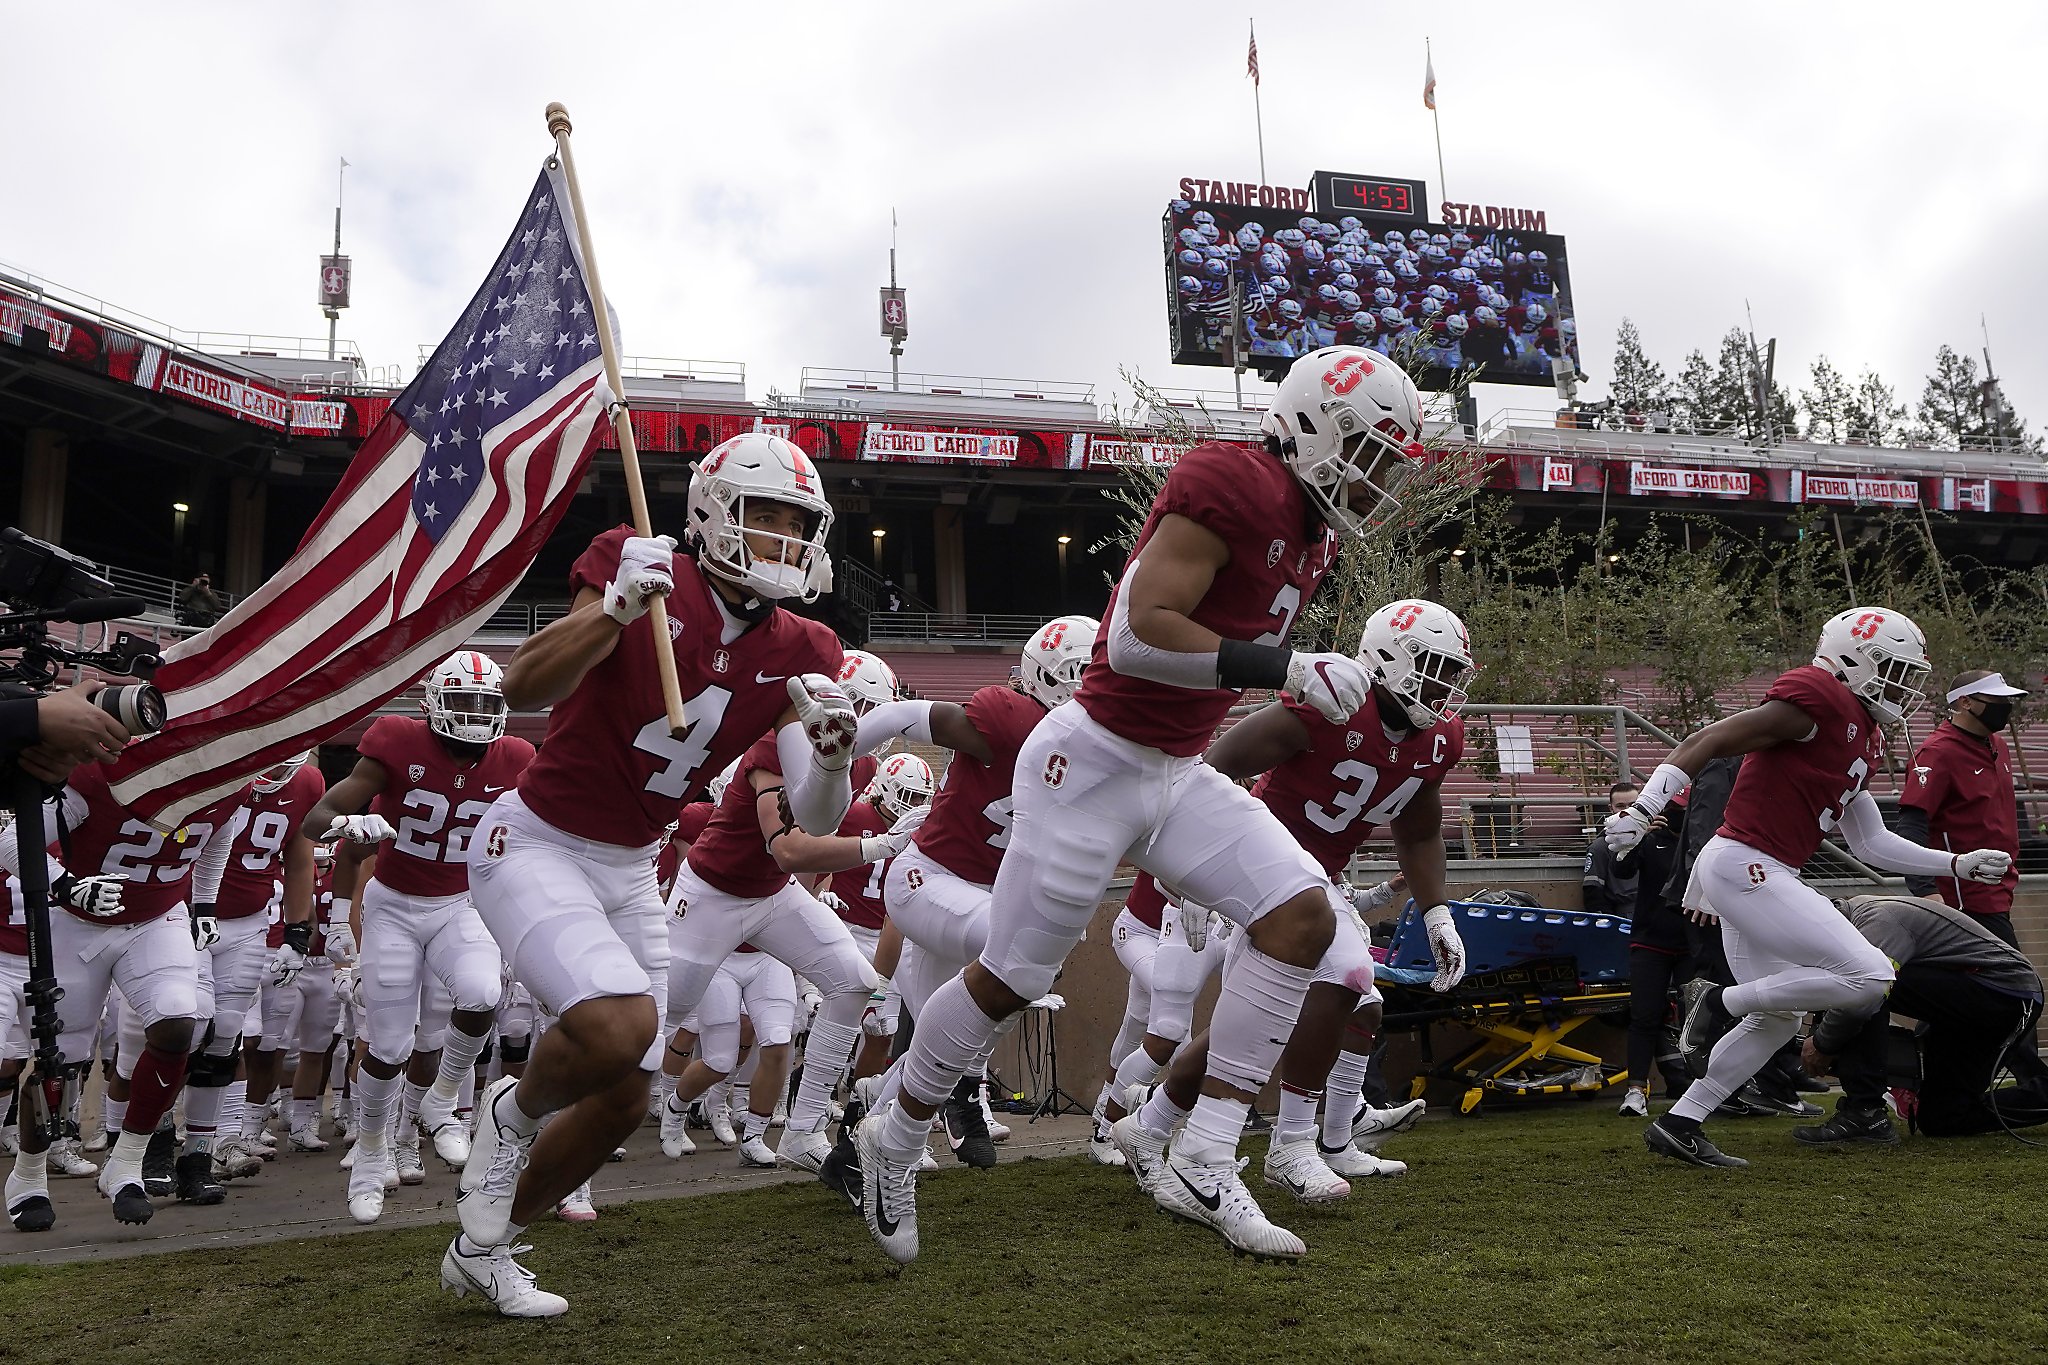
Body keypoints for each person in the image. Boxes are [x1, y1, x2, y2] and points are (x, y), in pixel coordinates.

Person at [845, 345, 1440, 1265]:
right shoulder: (1233, 481)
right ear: (1322, 430)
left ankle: (1204, 1152)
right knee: (1009, 977)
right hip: (1089, 763)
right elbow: (1135, 637)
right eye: (1373, 454)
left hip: (1174, 768)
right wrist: (1283, 666)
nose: (1379, 480)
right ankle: (896, 1126)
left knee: (1301, 915)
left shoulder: (1310, 531)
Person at [448, 431, 856, 1317]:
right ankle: (508, 1119)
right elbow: (522, 684)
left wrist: (830, 759)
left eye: (799, 523)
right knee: (618, 1025)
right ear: (713, 513)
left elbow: (817, 818)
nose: (785, 540)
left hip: (632, 865)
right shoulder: (639, 566)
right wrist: (616, 610)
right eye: (766, 517)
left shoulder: (807, 643)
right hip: (538, 838)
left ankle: (486, 1246)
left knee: (630, 1090)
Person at [1606, 608, 2014, 1169]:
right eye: (1893, 669)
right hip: (1749, 865)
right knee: (1870, 975)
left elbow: (1871, 842)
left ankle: (1681, 1122)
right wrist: (1645, 806)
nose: (1902, 686)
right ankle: (1715, 1000)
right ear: (1853, 658)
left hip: (1752, 869)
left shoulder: (1862, 734)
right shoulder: (1817, 700)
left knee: (1774, 1021)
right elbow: (1709, 739)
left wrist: (1956, 863)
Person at [1116, 598, 1472, 1203]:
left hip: (1315, 882)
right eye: (1432, 667)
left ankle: (1151, 1127)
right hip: (1249, 872)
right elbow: (1214, 767)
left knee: (1287, 1013)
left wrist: (1437, 909)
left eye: (1451, 672)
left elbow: (1419, 828)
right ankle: (1294, 1145)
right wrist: (1194, 873)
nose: (1443, 686)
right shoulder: (1330, 706)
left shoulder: (1440, 739)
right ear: (1388, 660)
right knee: (1347, 974)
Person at [835, 615, 1100, 1182]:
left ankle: (854, 1146)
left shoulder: (1095, 749)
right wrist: (839, 749)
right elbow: (909, 715)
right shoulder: (1011, 718)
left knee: (937, 1035)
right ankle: (964, 1088)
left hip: (981, 894)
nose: (1087, 688)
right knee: (1020, 949)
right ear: (1047, 675)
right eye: (1078, 674)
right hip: (927, 879)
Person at [299, 651, 534, 1225]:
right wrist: (345, 824)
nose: (476, 717)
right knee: (388, 1047)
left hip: (461, 902)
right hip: (395, 906)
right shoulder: (398, 742)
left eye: (486, 705)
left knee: (482, 994)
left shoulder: (518, 758)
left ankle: (442, 1100)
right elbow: (315, 818)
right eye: (463, 703)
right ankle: (370, 1156)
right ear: (432, 704)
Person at [0, 759, 241, 1228]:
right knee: (62, 1059)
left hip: (156, 916)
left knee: (177, 1022)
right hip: (77, 921)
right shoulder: (103, 775)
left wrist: (205, 903)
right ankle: (28, 1173)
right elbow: (11, 839)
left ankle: (127, 1162)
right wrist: (68, 886)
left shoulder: (225, 778)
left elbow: (217, 840)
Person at [1799, 893, 2046, 1142]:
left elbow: (1866, 991)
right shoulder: (1857, 921)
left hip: (2005, 992)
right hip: (1971, 1006)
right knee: (1943, 1118)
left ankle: (1865, 1112)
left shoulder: (1877, 920)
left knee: (1867, 984)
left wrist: (1823, 1043)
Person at [1897, 670, 2028, 946]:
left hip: (1999, 890)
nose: (2004, 708)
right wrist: (1926, 892)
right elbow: (1911, 827)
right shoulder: (1938, 752)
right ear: (1966, 702)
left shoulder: (1998, 746)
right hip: (1961, 898)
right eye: (1996, 700)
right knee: (2019, 984)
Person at [1613, 800, 1690, 1116]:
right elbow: (1622, 869)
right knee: (1644, 1016)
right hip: (1650, 941)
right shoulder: (1649, 839)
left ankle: (1703, 1089)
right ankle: (1635, 1091)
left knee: (1697, 1019)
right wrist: (1636, 838)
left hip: (1690, 943)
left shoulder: (1700, 841)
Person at [1581, 782, 1639, 916]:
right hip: (1626, 918)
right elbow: (1593, 894)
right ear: (1610, 808)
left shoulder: (1655, 839)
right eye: (1620, 806)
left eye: (1632, 805)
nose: (1627, 811)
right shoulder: (1600, 847)